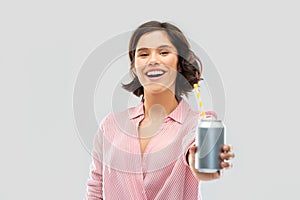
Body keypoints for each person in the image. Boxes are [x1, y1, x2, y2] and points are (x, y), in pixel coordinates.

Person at [86, 21, 235, 200]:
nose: (153, 59)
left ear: (179, 64)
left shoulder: (197, 124)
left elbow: (198, 159)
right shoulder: (111, 126)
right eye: (143, 54)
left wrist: (204, 163)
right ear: (134, 66)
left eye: (164, 52)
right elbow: (96, 190)